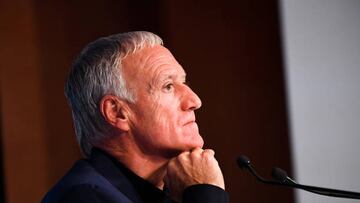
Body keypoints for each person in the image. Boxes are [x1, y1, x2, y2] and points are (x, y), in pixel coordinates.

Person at [41, 31, 228, 203]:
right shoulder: (83, 197)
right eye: (168, 86)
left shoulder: (171, 192)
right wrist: (206, 195)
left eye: (184, 82)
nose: (195, 100)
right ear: (116, 112)